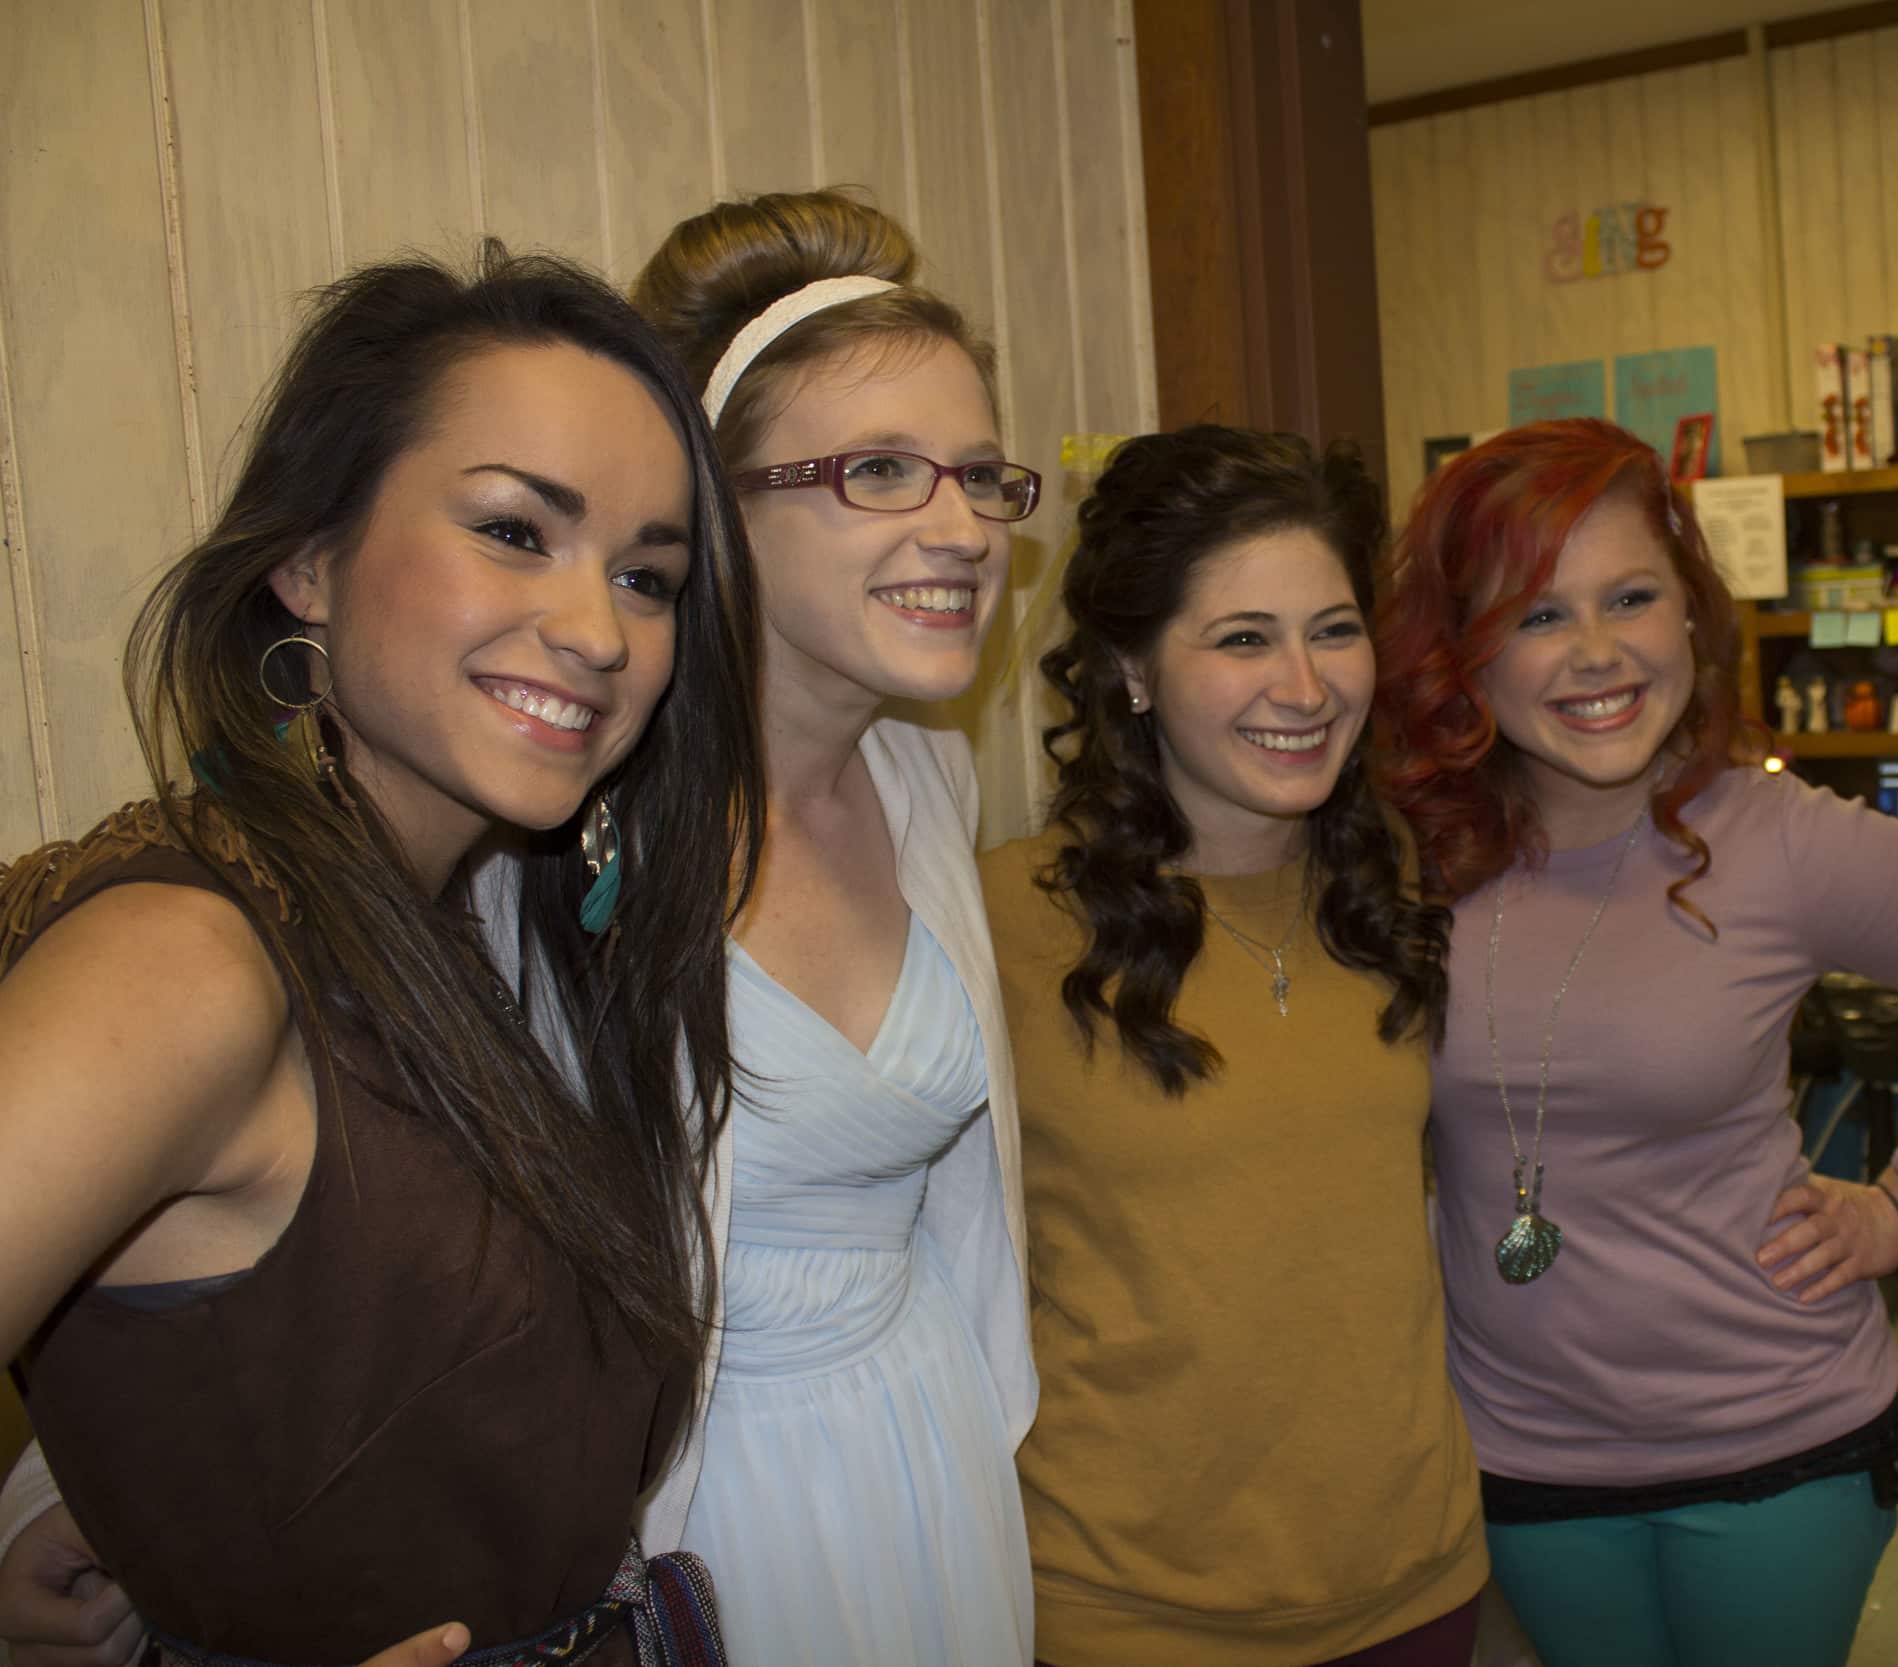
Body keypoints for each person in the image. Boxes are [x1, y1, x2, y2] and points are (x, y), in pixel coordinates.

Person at [0, 188, 1036, 1666]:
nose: (598, 628)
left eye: (642, 576)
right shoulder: (199, 950)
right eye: (511, 528)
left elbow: (270, 1325)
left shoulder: (495, 880)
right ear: (308, 556)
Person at [1370, 418, 1898, 1667]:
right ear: (1464, 658)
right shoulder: (1403, 861)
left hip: (1776, 1441)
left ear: (1693, 620)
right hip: (1520, 1450)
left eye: (1631, 596)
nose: (1595, 653)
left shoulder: (1782, 840)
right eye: (1535, 615)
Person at [980, 426, 1488, 1667]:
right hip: (1129, 1609)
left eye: (1332, 628)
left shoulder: (1399, 888)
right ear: (1132, 669)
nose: (1306, 687)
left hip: (1414, 1584)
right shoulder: (999, 918)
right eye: (1243, 637)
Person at [622, 189, 1038, 1662]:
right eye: (881, 470)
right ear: (720, 505)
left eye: (984, 478)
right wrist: (55, 1491)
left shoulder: (931, 773)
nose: (963, 527)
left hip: (931, 1441)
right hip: (702, 1504)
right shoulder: (579, 831)